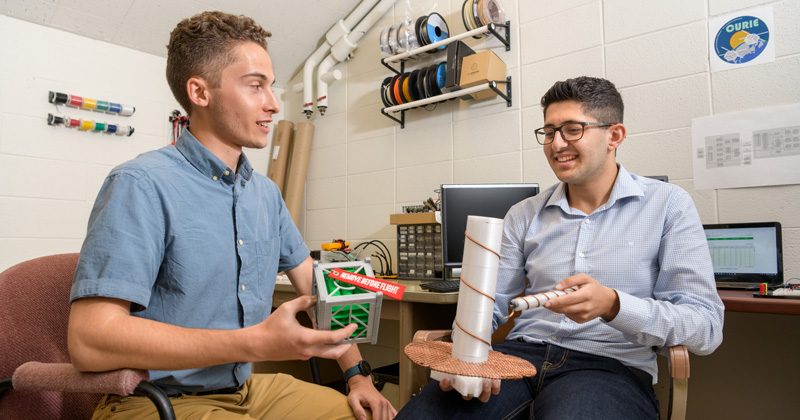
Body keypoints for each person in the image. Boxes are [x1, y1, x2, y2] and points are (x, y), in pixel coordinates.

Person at [68, 11, 396, 420]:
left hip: (246, 390)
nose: (274, 104)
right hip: (153, 400)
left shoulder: (266, 195)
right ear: (200, 93)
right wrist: (254, 343)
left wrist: (358, 375)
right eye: (255, 86)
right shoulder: (140, 184)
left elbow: (318, 287)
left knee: (365, 416)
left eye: (271, 87)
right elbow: (88, 341)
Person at [396, 76, 724, 420]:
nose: (556, 144)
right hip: (518, 358)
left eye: (572, 129)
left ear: (614, 135)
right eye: (549, 131)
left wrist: (613, 305)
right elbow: (488, 302)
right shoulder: (523, 214)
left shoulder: (669, 206)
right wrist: (468, 355)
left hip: (610, 366)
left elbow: (705, 328)